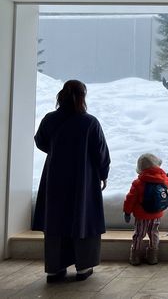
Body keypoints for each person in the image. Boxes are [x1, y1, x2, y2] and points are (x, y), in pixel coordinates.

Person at [33, 80, 110, 283]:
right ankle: (83, 267)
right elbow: (100, 152)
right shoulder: (89, 122)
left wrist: (57, 151)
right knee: (83, 218)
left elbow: (40, 141)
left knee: (56, 220)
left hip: (55, 178)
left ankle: (54, 269)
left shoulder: (50, 120)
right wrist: (103, 173)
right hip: (83, 179)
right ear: (83, 97)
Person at [123, 153, 168, 266]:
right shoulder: (163, 179)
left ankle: (135, 256)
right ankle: (153, 256)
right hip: (156, 214)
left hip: (141, 216)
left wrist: (127, 211)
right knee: (154, 233)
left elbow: (130, 198)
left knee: (139, 235)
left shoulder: (138, 183)